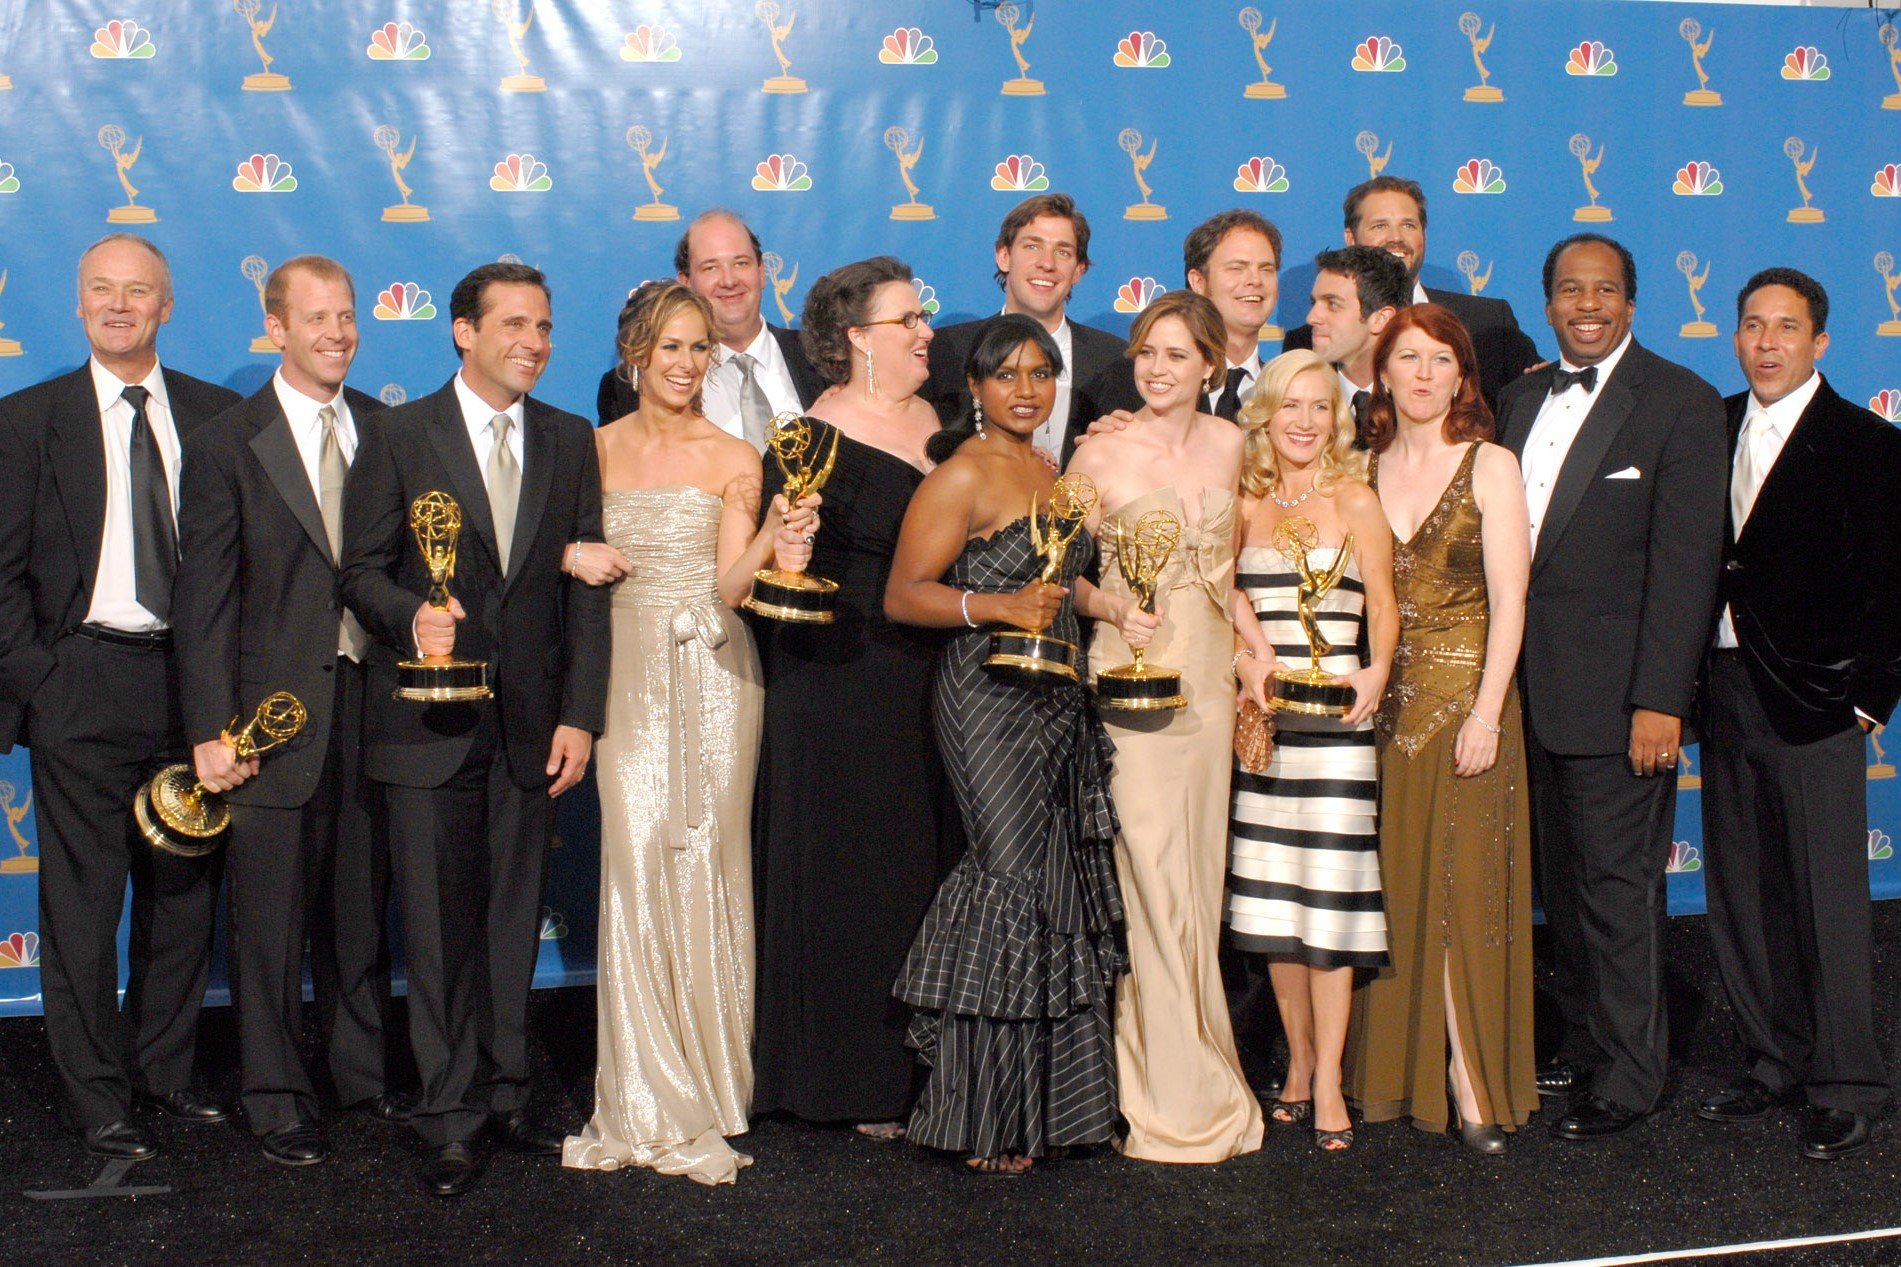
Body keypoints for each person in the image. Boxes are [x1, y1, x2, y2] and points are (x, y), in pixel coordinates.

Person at [339, 261, 611, 1197]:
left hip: (532, 727)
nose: (533, 342)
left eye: (544, 326)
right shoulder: (398, 432)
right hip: (425, 722)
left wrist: (581, 713)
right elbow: (359, 569)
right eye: (514, 325)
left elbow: (586, 593)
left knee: (510, 924)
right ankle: (448, 1114)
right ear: (463, 331)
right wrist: (410, 614)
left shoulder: (568, 436)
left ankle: (507, 1094)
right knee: (437, 928)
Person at [562, 282, 815, 1184]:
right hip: (623, 670)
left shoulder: (736, 455)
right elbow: (539, 554)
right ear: (635, 352)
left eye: (699, 347)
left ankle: (710, 1084)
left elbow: (733, 587)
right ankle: (641, 1088)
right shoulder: (589, 449)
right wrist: (567, 554)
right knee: (634, 861)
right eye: (669, 346)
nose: (685, 363)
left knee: (708, 859)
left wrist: (776, 532)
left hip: (715, 671)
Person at [0, 234, 239, 1161]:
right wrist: (42, 680)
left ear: (166, 306)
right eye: (101, 288)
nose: (117, 304)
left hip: (195, 683)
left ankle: (162, 1073)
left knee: (183, 894)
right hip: (83, 682)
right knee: (83, 905)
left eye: (137, 291)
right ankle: (97, 1096)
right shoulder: (28, 420)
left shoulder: (220, 417)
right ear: (78, 303)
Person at [1493, 235, 1727, 1140]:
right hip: (1525, 698)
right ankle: (1587, 1043)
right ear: (1547, 302)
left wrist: (1659, 699)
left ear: (1630, 302)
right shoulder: (1518, 397)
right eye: (1568, 289)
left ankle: (1632, 1075)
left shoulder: (1678, 400)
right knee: (1562, 888)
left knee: (1618, 892)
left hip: (1621, 701)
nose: (1585, 304)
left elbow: (1685, 568)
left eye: (1603, 289)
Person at [171, 256, 401, 1167]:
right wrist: (209, 729)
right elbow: (204, 602)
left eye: (346, 316)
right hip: (267, 723)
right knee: (268, 923)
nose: (337, 333)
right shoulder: (228, 443)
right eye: (316, 318)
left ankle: (359, 1077)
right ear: (276, 329)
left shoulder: (386, 428)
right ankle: (273, 1093)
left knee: (359, 908)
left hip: (374, 710)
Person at [885, 314, 1126, 1175]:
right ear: (976, 387)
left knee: (1051, 880)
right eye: (1007, 374)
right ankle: (980, 1108)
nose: (1026, 390)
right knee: (1009, 874)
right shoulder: (960, 474)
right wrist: (995, 606)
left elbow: (1061, 581)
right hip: (984, 697)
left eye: (1040, 373)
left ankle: (1049, 1106)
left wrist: (1109, 603)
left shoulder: (1053, 472)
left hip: (1057, 695)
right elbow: (903, 594)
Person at [1696, 268, 1900, 1160]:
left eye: (1785, 326)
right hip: (1722, 690)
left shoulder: (1866, 444)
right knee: (1742, 891)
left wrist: (1867, 699)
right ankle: (1772, 1058)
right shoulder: (1709, 428)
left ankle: (1848, 1081)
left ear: (1819, 341)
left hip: (1817, 702)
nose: (1766, 341)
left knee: (1826, 898)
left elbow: (1894, 582)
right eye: (1752, 324)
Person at [751, 256, 952, 1139]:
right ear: (858, 337)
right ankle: (850, 1075)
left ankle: (923, 1070)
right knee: (853, 873)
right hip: (836, 681)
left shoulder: (938, 418)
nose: (925, 331)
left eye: (923, 315)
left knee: (917, 864)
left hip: (929, 675)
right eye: (908, 319)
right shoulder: (809, 439)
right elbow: (775, 573)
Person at [1066, 289, 1264, 1163]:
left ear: (1209, 365)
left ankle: (1200, 1064)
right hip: (1132, 680)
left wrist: (1255, 648)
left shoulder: (1230, 443)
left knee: (1197, 878)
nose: (1156, 368)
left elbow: (1230, 571)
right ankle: (1168, 1093)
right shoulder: (1098, 451)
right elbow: (1056, 570)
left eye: (1177, 354)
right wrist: (1112, 604)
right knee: (1151, 879)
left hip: (1209, 685)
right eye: (1146, 351)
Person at [1342, 305, 1538, 1154]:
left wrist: (1487, 712)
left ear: (1462, 377)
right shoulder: (1357, 469)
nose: (1423, 374)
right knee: (1392, 895)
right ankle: (1390, 1071)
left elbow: (1510, 600)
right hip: (1378, 714)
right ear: (1381, 373)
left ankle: (1469, 1082)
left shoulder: (1490, 464)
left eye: (1440, 360)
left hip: (1468, 711)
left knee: (1463, 897)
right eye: (1407, 358)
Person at [1226, 349, 1396, 1151]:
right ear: (1264, 413)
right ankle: (1295, 1063)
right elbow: (1220, 592)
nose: (1302, 421)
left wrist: (1377, 668)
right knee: (1274, 910)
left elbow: (1384, 603)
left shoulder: (1355, 497)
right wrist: (1247, 657)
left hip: (1337, 736)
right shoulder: (1245, 502)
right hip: (1266, 732)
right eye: (1288, 405)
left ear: (1336, 419)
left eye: (1318, 406)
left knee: (1329, 909)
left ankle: (1328, 1077)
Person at [1284, 176, 1539, 412]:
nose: (1396, 237)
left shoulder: (1488, 322)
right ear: (1351, 239)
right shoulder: (1306, 342)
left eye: (1408, 225)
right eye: (1380, 226)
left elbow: (1535, 398)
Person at [921, 193, 1124, 463]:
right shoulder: (945, 352)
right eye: (1032, 246)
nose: (1047, 263)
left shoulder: (1116, 361)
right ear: (1004, 256)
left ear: (1078, 270)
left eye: (1063, 252)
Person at [596, 210, 827, 436]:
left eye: (741, 263)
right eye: (711, 268)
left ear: (761, 272)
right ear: (685, 282)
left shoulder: (823, 359)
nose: (729, 280)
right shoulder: (631, 386)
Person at [1080, 210, 1282, 423]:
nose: (1255, 280)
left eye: (1266, 269)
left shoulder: (1284, 389)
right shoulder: (1133, 384)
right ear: (1198, 282)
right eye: (1237, 268)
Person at [1301, 246, 1408, 442]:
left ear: (1381, 319)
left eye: (1333, 304)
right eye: (1314, 303)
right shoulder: (1295, 397)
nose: (1311, 318)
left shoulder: (1418, 405)